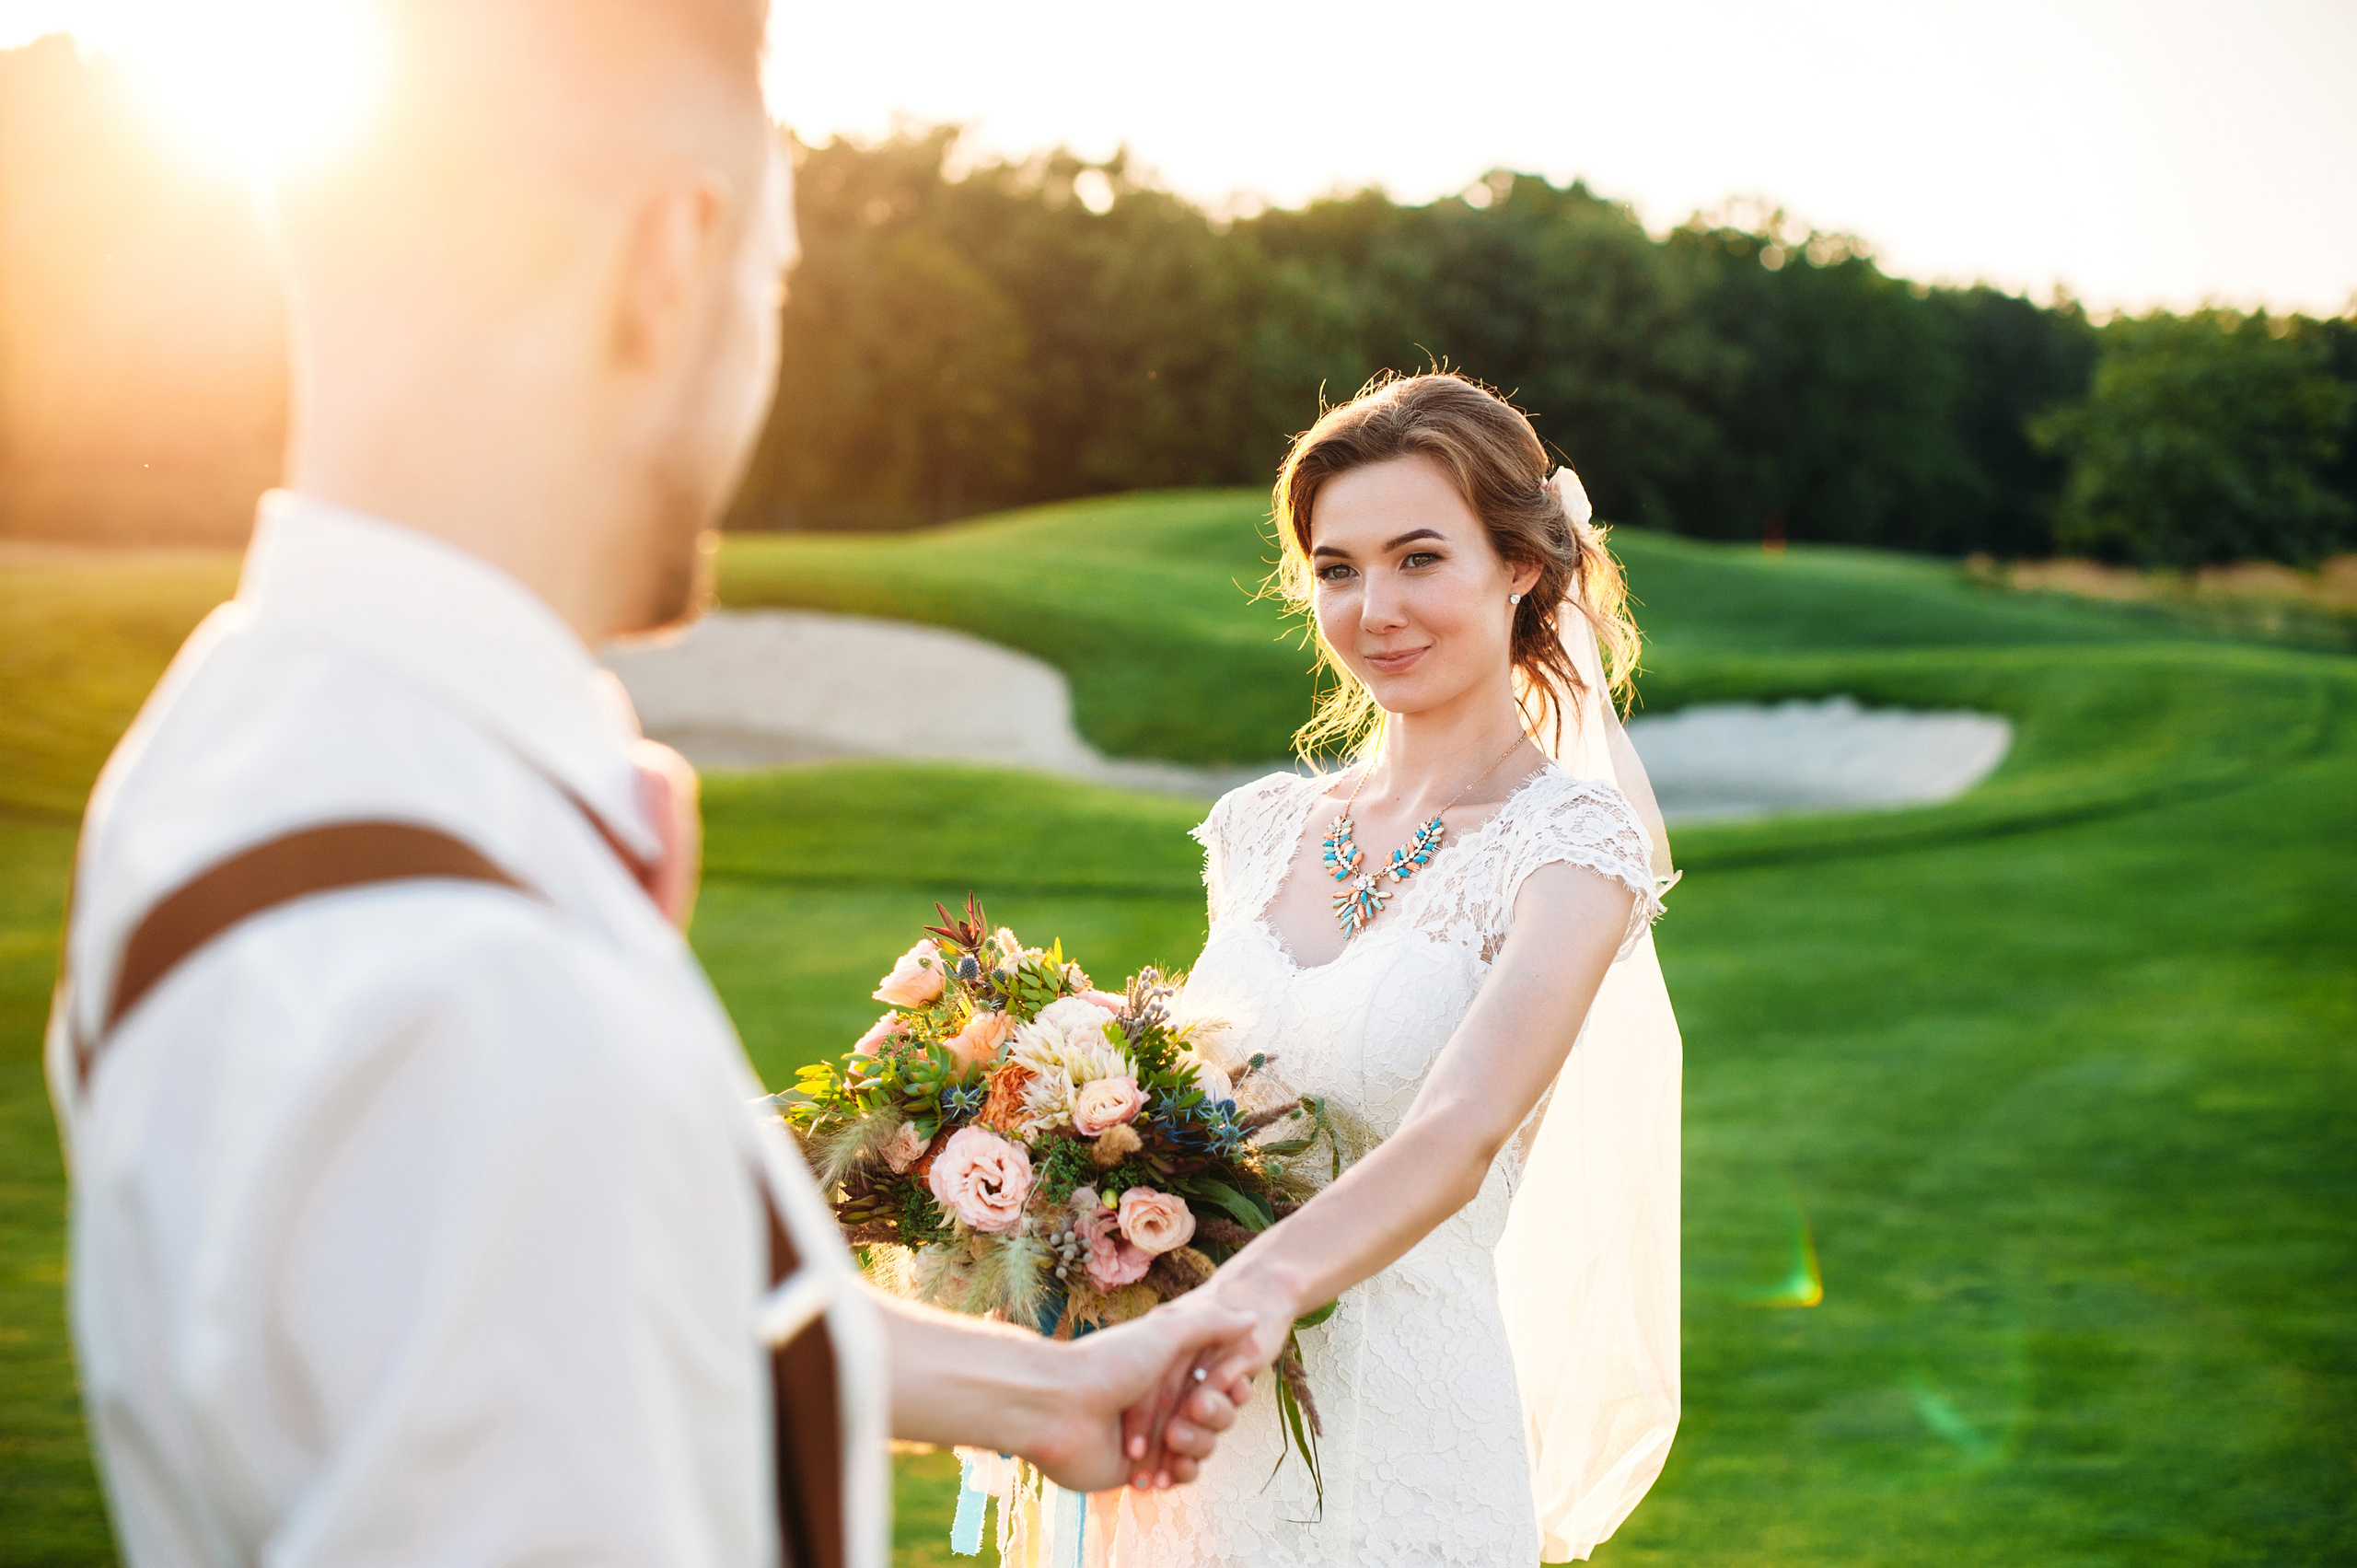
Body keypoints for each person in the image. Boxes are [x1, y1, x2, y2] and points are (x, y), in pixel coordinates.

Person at [43, 5, 1245, 1565]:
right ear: (675, 259)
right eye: (778, 283)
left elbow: (569, 1299)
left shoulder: (235, 752)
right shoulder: (493, 996)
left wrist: (1044, 1391)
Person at [1112, 371, 1684, 1563]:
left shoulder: (1574, 846)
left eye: (1421, 557)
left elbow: (1457, 1133)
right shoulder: (1258, 832)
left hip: (1401, 1438)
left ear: (1521, 565)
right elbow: (1182, 1110)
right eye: (1337, 567)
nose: (1376, 607)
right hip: (1200, 1426)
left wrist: (1244, 1301)